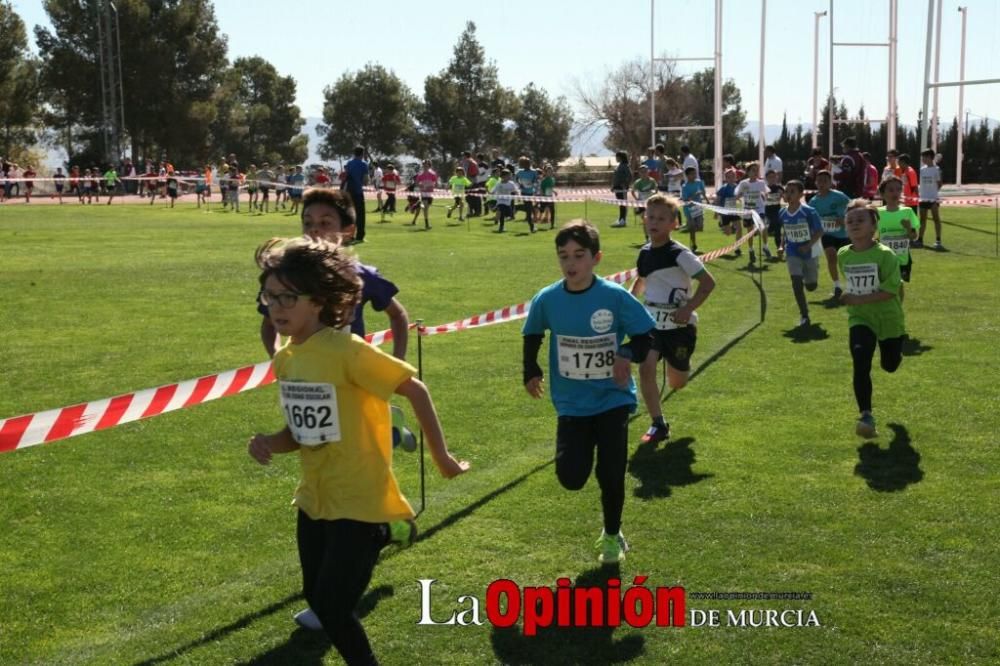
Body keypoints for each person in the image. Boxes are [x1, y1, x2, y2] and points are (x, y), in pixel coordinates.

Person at [250, 236, 468, 663]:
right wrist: (269, 444)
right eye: (269, 296)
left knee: (331, 606)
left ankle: (382, 528)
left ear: (318, 301)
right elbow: (299, 432)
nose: (276, 307)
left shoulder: (348, 350)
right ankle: (387, 531)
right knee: (317, 597)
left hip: (359, 498)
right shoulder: (286, 359)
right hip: (315, 498)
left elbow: (415, 390)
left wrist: (441, 456)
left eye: (287, 297)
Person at [522, 220, 656, 564]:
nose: (571, 263)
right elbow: (533, 332)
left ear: (596, 258)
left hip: (613, 398)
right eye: (563, 256)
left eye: (579, 255)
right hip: (571, 403)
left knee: (610, 472)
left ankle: (612, 536)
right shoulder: (548, 299)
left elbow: (646, 337)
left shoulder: (614, 297)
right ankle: (584, 469)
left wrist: (626, 353)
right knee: (571, 477)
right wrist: (531, 368)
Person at [630, 195, 715, 446]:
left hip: (679, 327)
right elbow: (642, 281)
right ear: (645, 219)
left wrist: (688, 308)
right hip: (651, 323)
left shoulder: (680, 254)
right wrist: (628, 303)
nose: (654, 222)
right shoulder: (644, 253)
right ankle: (658, 424)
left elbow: (709, 283)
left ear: (673, 224)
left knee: (678, 382)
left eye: (661, 219)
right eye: (651, 217)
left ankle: (675, 363)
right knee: (646, 369)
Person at [837, 200, 906, 438]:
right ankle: (866, 415)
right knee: (860, 362)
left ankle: (896, 351)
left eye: (860, 220)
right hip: (860, 319)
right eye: (850, 221)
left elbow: (890, 291)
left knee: (890, 365)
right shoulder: (843, 255)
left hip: (888, 318)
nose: (854, 224)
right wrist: (851, 299)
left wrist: (857, 299)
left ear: (873, 225)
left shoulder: (886, 256)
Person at [779, 180, 824, 328]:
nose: (788, 194)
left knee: (811, 286)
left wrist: (808, 245)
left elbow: (819, 231)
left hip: (810, 252)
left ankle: (809, 280)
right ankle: (804, 315)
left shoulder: (809, 212)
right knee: (796, 283)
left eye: (792, 191)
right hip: (792, 252)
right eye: (787, 191)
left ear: (800, 194)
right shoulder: (782, 212)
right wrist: (781, 246)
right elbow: (783, 231)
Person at [876, 176, 919, 302]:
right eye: (890, 190)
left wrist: (909, 228)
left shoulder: (907, 211)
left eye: (898, 190)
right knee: (884, 285)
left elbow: (914, 236)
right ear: (882, 193)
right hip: (883, 258)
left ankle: (898, 309)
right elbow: (872, 235)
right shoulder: (877, 213)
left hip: (902, 258)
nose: (895, 193)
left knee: (899, 284)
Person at [809, 170, 851, 299]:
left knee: (846, 262)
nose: (822, 184)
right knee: (831, 257)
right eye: (819, 181)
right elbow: (811, 220)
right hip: (827, 234)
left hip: (843, 234)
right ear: (816, 182)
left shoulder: (839, 196)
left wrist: (844, 220)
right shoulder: (813, 202)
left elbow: (853, 208)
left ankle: (851, 285)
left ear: (830, 183)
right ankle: (837, 286)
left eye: (825, 181)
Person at [734, 162, 770, 264]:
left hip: (759, 209)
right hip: (747, 210)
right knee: (750, 232)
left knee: (764, 227)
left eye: (757, 170)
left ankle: (765, 247)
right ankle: (751, 250)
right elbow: (736, 197)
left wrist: (764, 196)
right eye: (753, 170)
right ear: (748, 172)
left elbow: (766, 194)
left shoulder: (761, 183)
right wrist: (742, 192)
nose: (755, 172)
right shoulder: (743, 183)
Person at [917, 148, 943, 250]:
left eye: (924, 156)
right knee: (922, 220)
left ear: (930, 157)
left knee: (936, 219)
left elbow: (940, 184)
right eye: (922, 156)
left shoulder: (936, 169)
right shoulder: (922, 169)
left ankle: (938, 240)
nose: (922, 158)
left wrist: (933, 193)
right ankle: (920, 239)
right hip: (923, 198)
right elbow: (922, 183)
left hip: (933, 199)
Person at [344, 147, 369, 242]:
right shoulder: (364, 164)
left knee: (350, 214)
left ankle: (349, 235)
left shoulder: (349, 163)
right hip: (358, 192)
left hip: (349, 191)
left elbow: (346, 176)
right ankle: (360, 236)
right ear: (362, 154)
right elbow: (366, 179)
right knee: (360, 215)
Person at [714, 169, 742, 253]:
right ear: (726, 178)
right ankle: (723, 224)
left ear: (735, 177)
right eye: (729, 177)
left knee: (739, 228)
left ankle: (737, 247)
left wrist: (740, 195)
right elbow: (717, 200)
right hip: (724, 213)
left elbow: (739, 195)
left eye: (733, 176)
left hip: (733, 211)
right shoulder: (723, 188)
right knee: (728, 233)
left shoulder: (737, 187)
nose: (731, 178)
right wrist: (716, 212)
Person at [679, 166, 705, 253]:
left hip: (698, 208)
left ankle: (689, 228)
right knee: (693, 228)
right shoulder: (685, 186)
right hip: (689, 209)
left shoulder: (699, 182)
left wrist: (707, 200)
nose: (694, 175)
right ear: (687, 175)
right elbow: (685, 199)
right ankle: (693, 245)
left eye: (695, 173)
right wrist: (695, 194)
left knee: (700, 227)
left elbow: (703, 192)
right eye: (692, 174)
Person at [764, 169, 785, 259]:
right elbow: (761, 199)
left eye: (774, 176)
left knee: (777, 230)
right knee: (771, 228)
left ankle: (779, 249)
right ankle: (765, 246)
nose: (772, 179)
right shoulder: (764, 188)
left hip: (777, 210)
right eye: (770, 177)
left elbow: (785, 198)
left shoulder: (779, 188)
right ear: (766, 178)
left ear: (776, 177)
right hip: (767, 211)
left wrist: (783, 195)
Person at [630, 164, 657, 230]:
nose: (644, 173)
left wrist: (653, 193)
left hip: (650, 202)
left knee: (649, 218)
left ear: (648, 172)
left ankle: (651, 230)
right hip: (641, 202)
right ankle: (647, 235)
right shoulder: (638, 182)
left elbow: (656, 189)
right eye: (642, 172)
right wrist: (636, 199)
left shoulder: (652, 180)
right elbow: (632, 191)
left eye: (645, 171)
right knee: (644, 219)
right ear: (639, 173)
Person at [515, 156, 539, 231]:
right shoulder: (520, 172)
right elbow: (516, 178)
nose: (528, 165)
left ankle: (518, 207)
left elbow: (536, 180)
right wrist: (520, 184)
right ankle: (532, 227)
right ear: (523, 165)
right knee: (529, 210)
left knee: (529, 208)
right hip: (524, 192)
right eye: (525, 164)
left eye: (528, 163)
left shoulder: (534, 172)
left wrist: (533, 183)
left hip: (531, 192)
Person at [412, 160, 437, 229]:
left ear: (429, 165)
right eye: (424, 165)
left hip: (430, 193)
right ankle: (427, 224)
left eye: (426, 165)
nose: (425, 166)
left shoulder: (433, 173)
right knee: (425, 209)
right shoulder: (420, 174)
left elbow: (435, 182)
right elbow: (417, 183)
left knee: (423, 208)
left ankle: (418, 204)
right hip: (423, 193)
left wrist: (431, 185)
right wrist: (421, 185)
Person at [610, 151, 631, 228]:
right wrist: (613, 186)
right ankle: (620, 219)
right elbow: (616, 177)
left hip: (622, 188)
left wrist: (625, 184)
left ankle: (623, 220)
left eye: (617, 157)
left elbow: (629, 176)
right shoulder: (619, 165)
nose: (616, 158)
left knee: (623, 204)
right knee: (620, 204)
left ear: (621, 157)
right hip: (617, 188)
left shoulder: (625, 166)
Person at [538, 164, 557, 229]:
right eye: (549, 171)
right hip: (544, 198)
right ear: (545, 172)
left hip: (551, 197)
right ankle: (536, 221)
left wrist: (554, 191)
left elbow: (551, 187)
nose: (550, 173)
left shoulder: (553, 179)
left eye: (551, 171)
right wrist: (543, 196)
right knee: (541, 210)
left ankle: (552, 225)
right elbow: (541, 189)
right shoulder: (543, 180)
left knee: (552, 211)